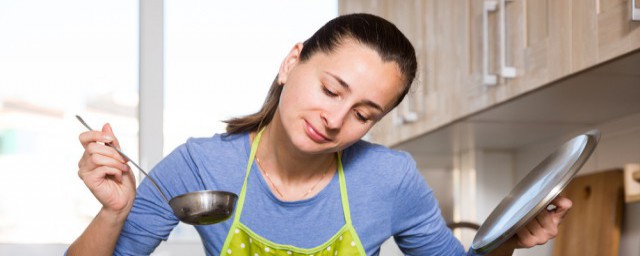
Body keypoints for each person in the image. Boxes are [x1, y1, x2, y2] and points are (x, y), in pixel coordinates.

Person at [68, 13, 572, 256]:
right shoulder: (199, 167)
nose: (335, 120)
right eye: (332, 89)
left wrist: (509, 241)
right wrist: (113, 211)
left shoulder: (390, 179)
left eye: (364, 113)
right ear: (293, 62)